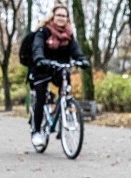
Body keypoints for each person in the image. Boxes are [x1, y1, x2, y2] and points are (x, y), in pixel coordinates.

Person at [28, 3, 89, 149]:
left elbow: (75, 50)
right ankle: (37, 131)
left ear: (68, 18)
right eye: (59, 15)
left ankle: (63, 118)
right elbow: (37, 47)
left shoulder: (68, 35)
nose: (62, 18)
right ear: (53, 16)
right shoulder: (44, 31)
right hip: (42, 68)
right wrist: (39, 59)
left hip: (60, 69)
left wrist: (82, 60)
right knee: (41, 98)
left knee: (66, 93)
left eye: (64, 16)